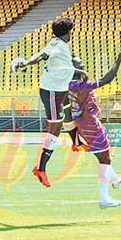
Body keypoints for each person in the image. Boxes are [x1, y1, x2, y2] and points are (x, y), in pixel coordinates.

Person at [14, 17, 75, 188]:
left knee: (69, 111)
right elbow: (42, 56)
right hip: (52, 92)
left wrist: (78, 70)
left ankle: (76, 143)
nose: (72, 33)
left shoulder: (59, 44)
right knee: (55, 128)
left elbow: (59, 62)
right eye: (71, 30)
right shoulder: (56, 46)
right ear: (67, 32)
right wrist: (26, 63)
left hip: (61, 89)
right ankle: (40, 168)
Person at [68, 52, 121, 208]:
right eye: (78, 62)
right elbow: (107, 79)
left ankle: (115, 180)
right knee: (105, 159)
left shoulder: (68, 84)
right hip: (90, 123)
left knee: (102, 157)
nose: (82, 62)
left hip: (83, 123)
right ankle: (104, 198)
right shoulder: (80, 85)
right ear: (73, 68)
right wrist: (118, 60)